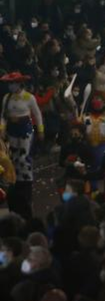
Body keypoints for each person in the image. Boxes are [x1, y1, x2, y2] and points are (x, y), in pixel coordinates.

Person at [0, 71, 44, 219]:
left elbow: (37, 114)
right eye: (9, 83)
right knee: (13, 156)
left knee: (24, 156)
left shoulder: (29, 97)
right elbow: (3, 116)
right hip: (11, 130)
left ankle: (26, 179)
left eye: (13, 83)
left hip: (25, 129)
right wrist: (2, 128)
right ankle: (15, 180)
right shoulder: (7, 98)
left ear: (20, 83)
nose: (11, 86)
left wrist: (40, 129)